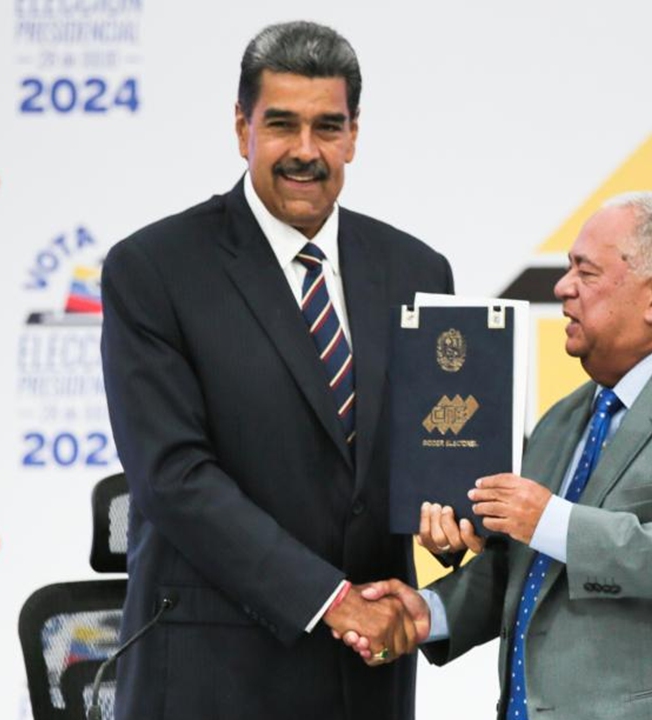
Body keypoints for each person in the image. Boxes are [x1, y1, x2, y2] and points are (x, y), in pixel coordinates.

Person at [100, 21, 451, 720]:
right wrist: (331, 600)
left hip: (367, 678)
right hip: (215, 675)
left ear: (354, 135)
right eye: (281, 124)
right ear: (242, 128)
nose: (305, 151)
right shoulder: (155, 269)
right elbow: (174, 478)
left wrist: (454, 516)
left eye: (328, 126)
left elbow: (436, 448)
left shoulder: (418, 271)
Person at [353, 191, 652, 719]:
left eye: (585, 272)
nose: (562, 287)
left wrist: (551, 519)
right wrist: (429, 612)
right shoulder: (565, 418)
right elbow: (529, 565)